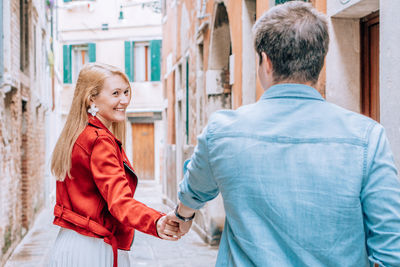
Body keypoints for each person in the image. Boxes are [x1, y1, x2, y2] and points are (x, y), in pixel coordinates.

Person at [167, 1, 400, 266]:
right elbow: (390, 247)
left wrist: (183, 217)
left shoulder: (222, 131)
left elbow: (194, 189)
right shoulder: (368, 137)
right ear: (320, 60)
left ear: (265, 61)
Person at [48, 63, 179, 267]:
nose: (124, 100)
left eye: (126, 92)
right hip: (93, 249)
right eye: (115, 93)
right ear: (92, 98)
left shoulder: (77, 134)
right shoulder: (100, 140)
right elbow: (120, 202)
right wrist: (156, 221)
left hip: (70, 243)